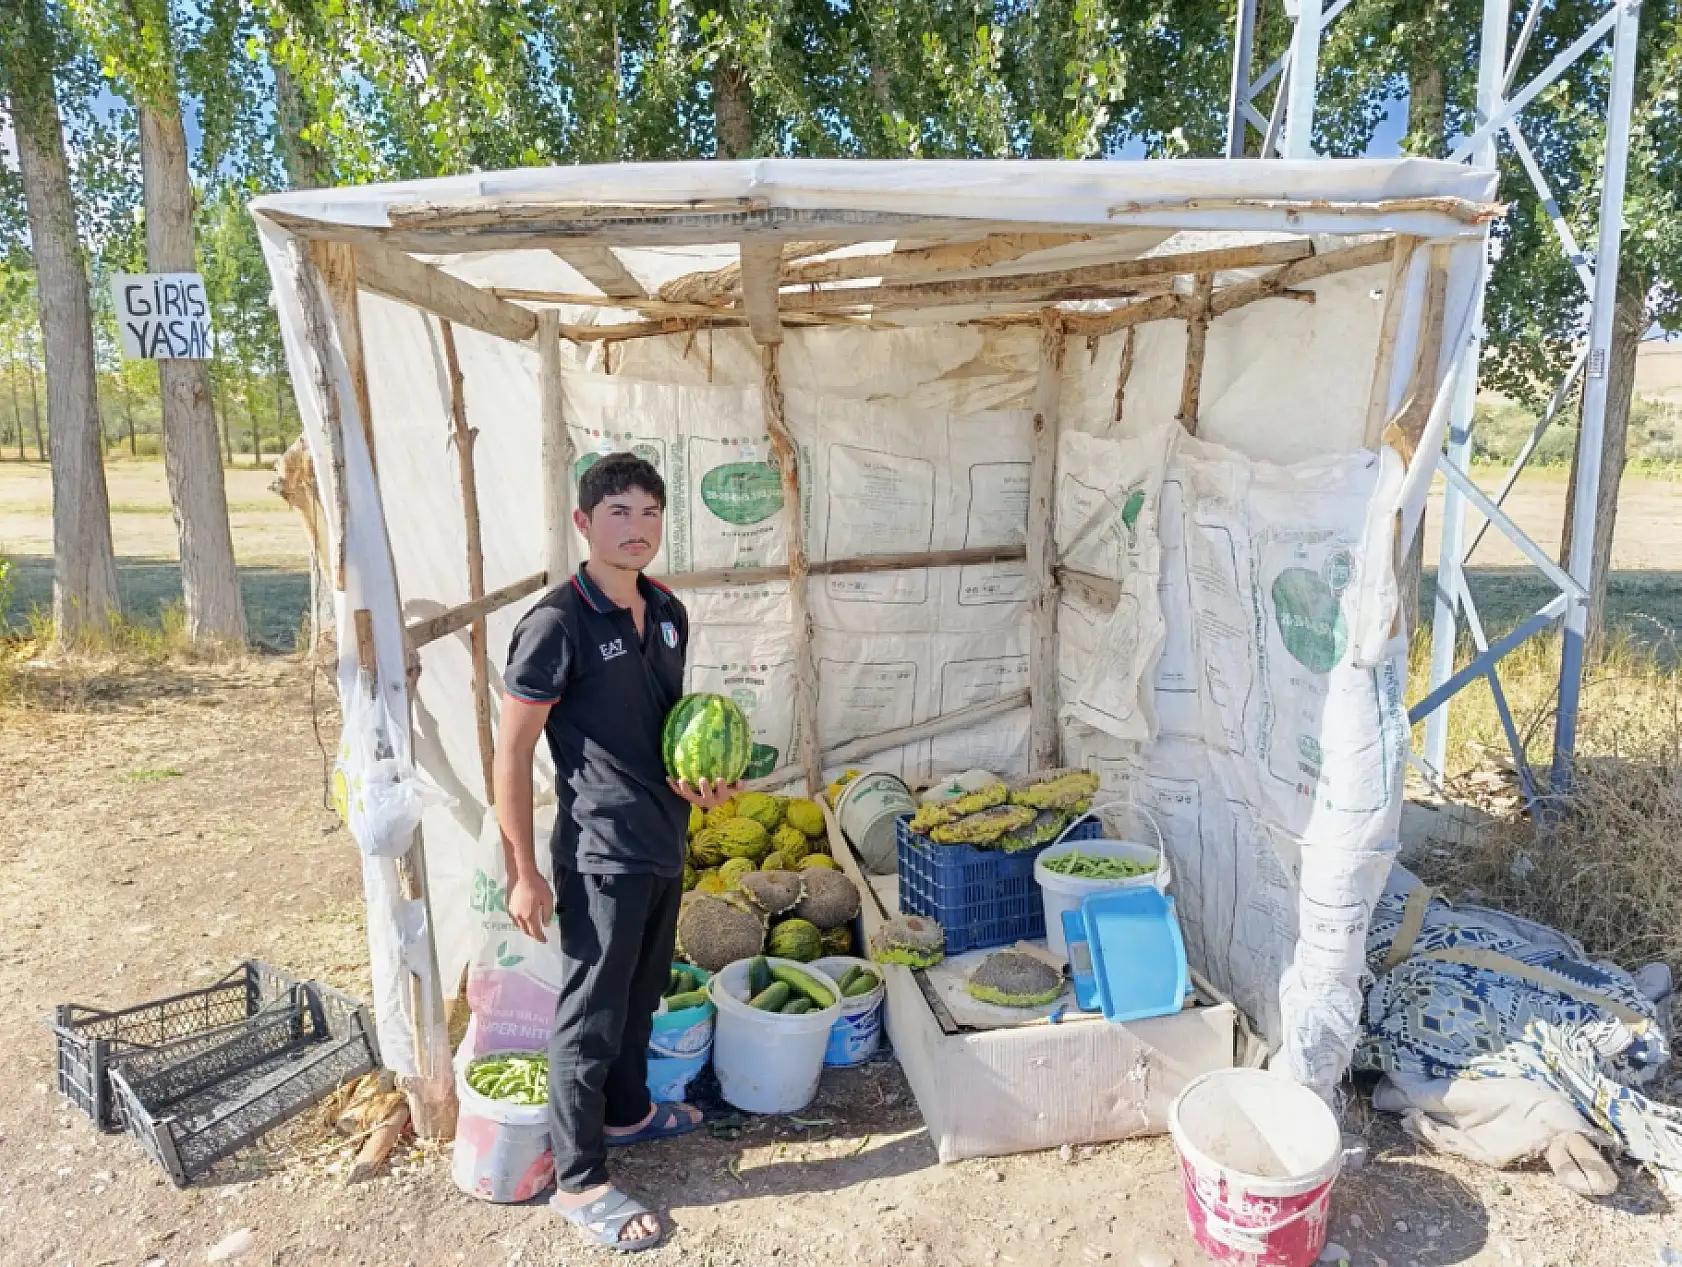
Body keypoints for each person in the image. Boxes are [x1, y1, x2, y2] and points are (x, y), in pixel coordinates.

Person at [495, 452, 738, 1253]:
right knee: (590, 1015)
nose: (636, 529)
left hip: (663, 839)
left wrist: (701, 790)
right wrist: (523, 871)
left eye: (650, 514)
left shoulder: (668, 612)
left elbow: (667, 734)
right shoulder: (555, 623)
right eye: (619, 512)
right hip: (599, 850)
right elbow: (511, 753)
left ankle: (628, 1112)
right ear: (584, 523)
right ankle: (580, 1181)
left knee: (640, 997)